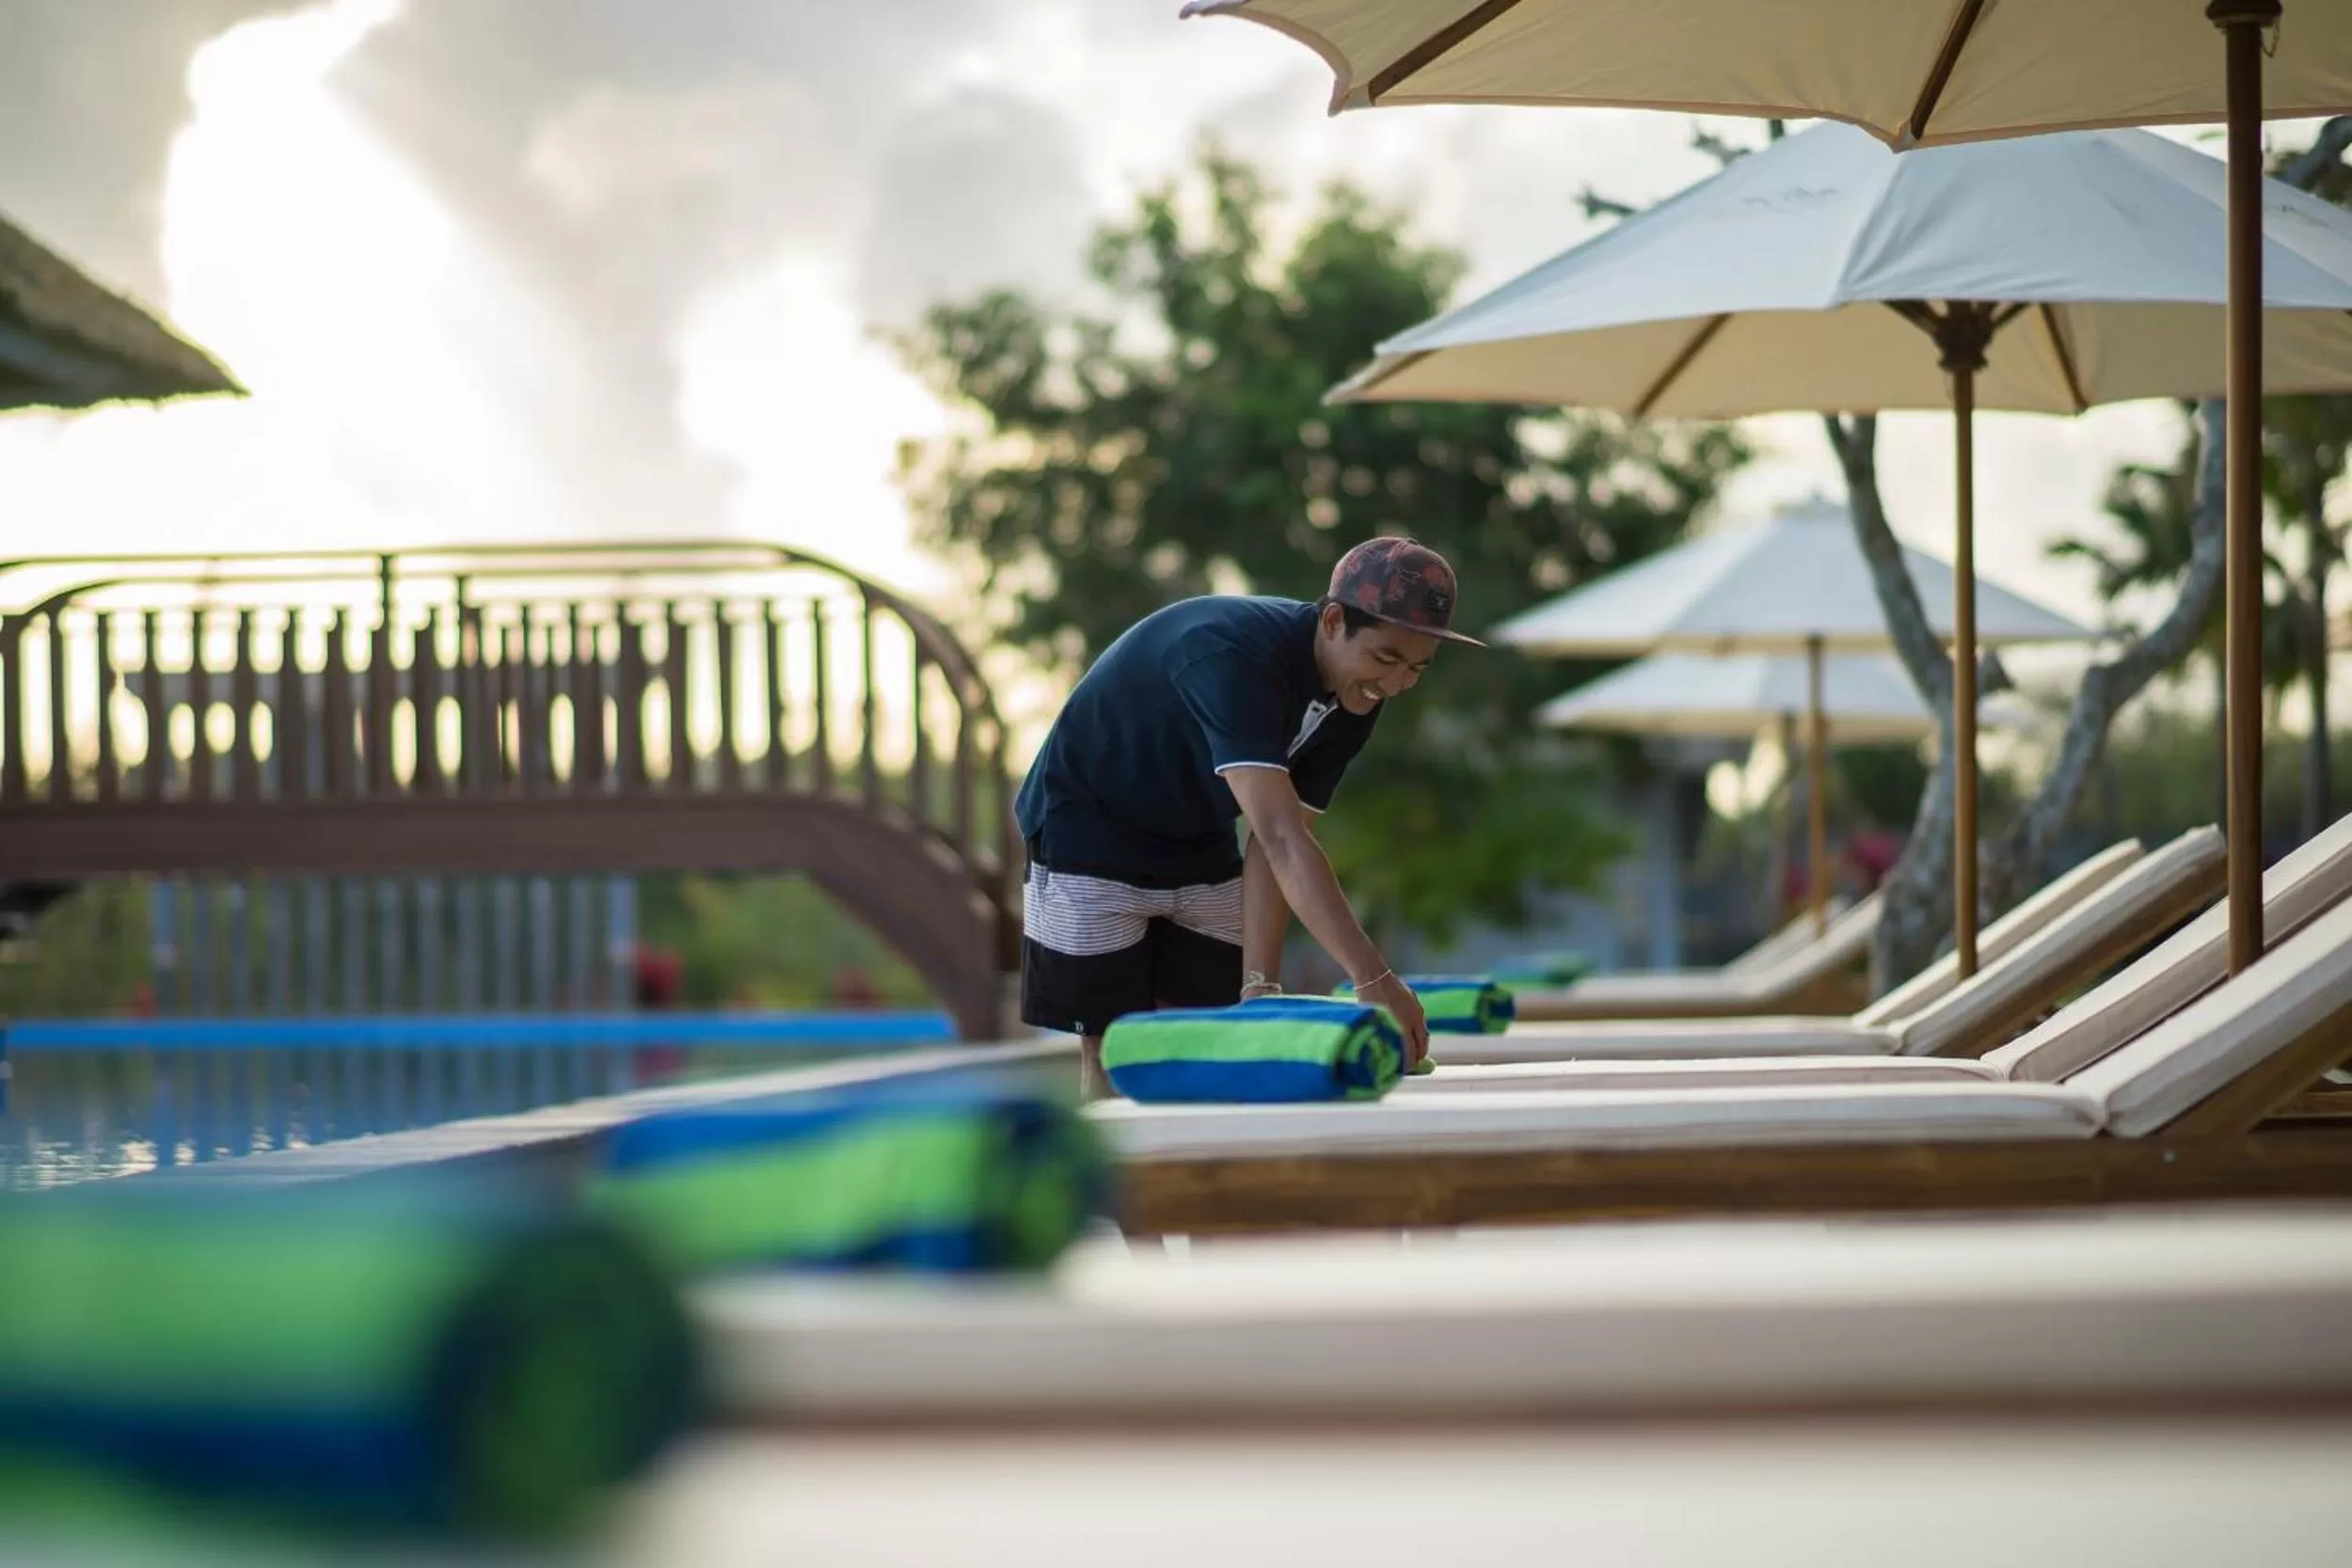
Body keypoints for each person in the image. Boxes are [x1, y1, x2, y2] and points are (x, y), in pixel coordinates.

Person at [1014, 536, 1482, 1096]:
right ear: (1333, 621)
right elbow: (1283, 839)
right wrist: (1373, 978)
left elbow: (1272, 840)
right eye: (1386, 658)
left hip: (1197, 836)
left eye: (1417, 668)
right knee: (1118, 1052)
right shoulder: (1233, 656)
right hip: (1088, 827)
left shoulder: (1360, 693)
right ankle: (1129, 1184)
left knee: (1209, 1043)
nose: (1398, 684)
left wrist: (1261, 987)